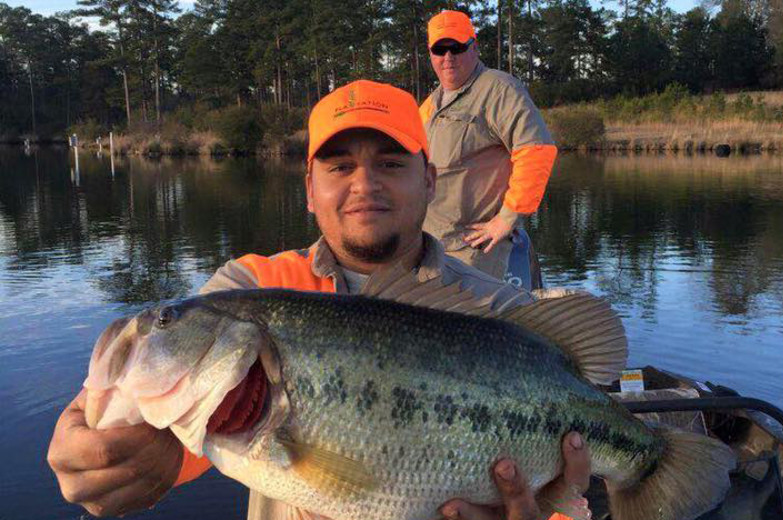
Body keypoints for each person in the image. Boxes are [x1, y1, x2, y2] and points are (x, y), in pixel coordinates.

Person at [48, 80, 590, 520]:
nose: (364, 184)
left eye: (391, 162)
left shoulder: (501, 316)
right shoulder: (250, 290)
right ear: (309, 188)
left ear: (430, 180)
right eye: (338, 166)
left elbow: (565, 490)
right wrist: (128, 453)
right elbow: (170, 424)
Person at [420, 10, 558, 282]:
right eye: (440, 49)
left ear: (474, 47)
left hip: (475, 252)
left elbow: (537, 149)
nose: (448, 57)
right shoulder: (428, 105)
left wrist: (507, 219)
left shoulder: (499, 89)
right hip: (432, 249)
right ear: (430, 54)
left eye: (457, 47)